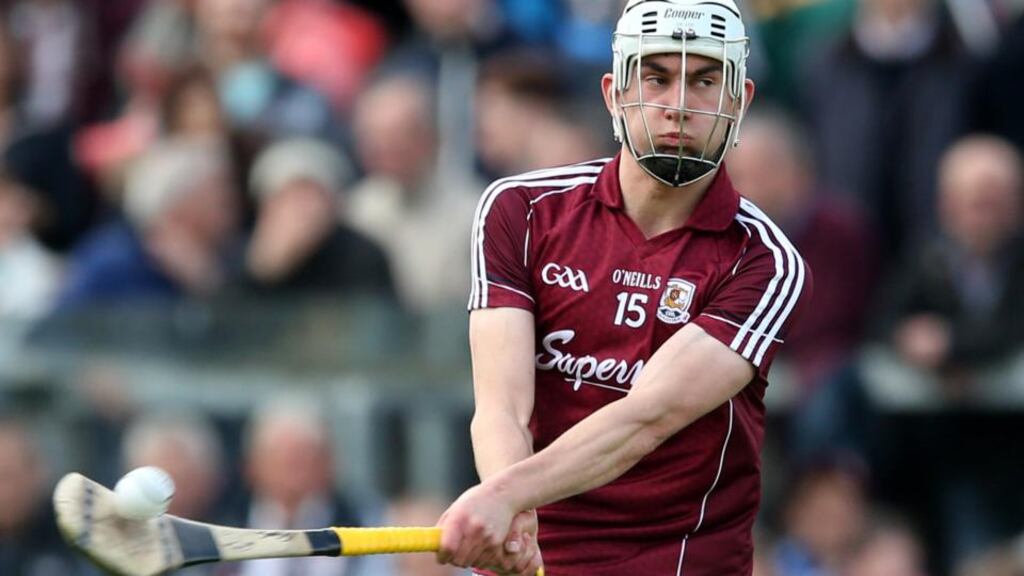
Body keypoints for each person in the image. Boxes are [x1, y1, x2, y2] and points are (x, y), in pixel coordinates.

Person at [436, 1, 812, 574]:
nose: (678, 105)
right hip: (532, 546)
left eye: (705, 80)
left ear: (740, 102)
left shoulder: (764, 261)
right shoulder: (520, 210)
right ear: (613, 94)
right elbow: (502, 405)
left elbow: (646, 418)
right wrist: (516, 518)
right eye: (657, 77)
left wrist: (506, 497)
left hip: (678, 557)